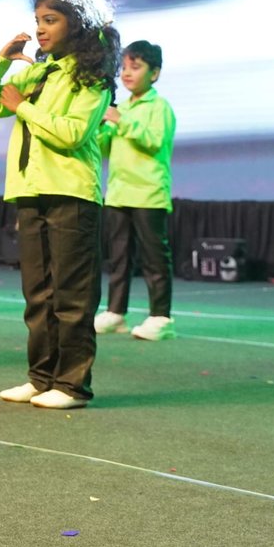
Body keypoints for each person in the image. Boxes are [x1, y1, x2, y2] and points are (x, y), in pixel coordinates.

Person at [0, 0, 118, 411]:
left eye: (50, 20)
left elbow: (73, 133)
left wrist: (23, 107)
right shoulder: (38, 71)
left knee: (72, 296)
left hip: (71, 192)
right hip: (29, 190)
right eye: (38, 20)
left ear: (77, 23)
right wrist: (1, 64)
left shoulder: (91, 76)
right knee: (38, 294)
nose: (40, 29)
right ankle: (41, 378)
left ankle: (72, 385)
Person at [96, 41, 178, 341]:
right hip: (118, 193)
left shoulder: (159, 107)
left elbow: (155, 141)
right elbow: (104, 149)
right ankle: (116, 312)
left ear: (154, 73)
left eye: (136, 67)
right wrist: (101, 127)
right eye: (124, 67)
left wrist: (121, 120)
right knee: (119, 258)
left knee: (154, 259)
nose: (127, 73)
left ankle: (161, 317)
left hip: (148, 193)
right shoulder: (121, 107)